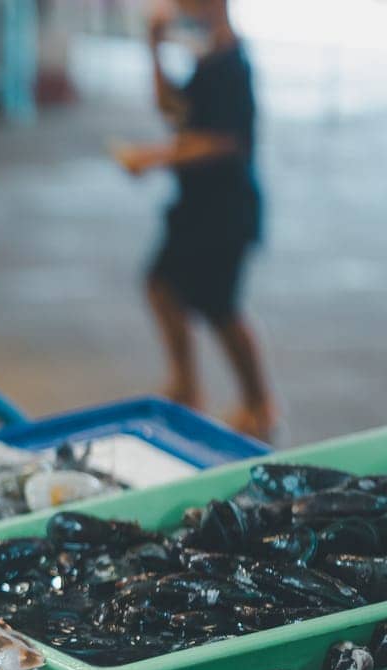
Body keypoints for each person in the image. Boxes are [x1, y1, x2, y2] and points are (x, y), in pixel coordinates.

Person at [112, 0, 275, 440]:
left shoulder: (231, 64)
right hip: (196, 205)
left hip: (225, 209)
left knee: (221, 307)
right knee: (162, 285)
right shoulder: (205, 59)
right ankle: (186, 387)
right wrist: (154, 47)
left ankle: (260, 405)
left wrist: (153, 157)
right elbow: (172, 110)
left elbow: (225, 142)